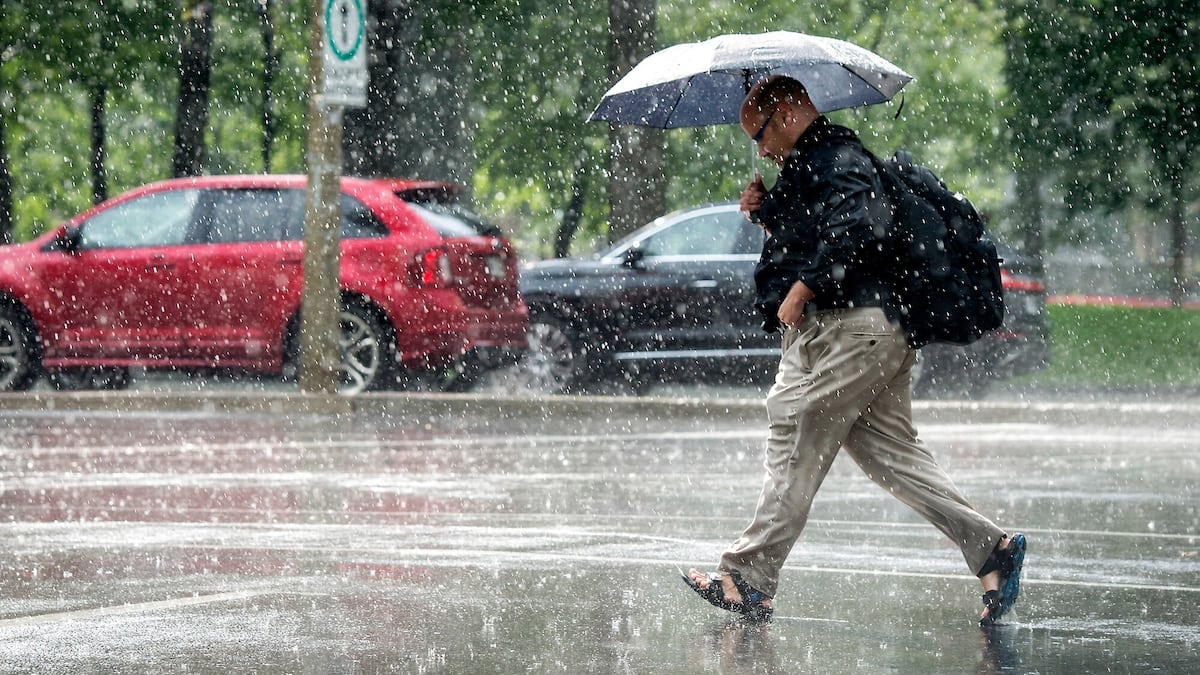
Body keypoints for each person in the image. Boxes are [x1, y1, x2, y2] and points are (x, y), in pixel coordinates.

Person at [683, 76, 1025, 626]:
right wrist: (766, 210)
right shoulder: (817, 163)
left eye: (762, 132)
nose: (761, 148)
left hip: (851, 331)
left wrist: (802, 288)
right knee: (893, 458)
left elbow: (858, 230)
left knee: (795, 426)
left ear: (791, 112)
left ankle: (747, 577)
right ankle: (992, 551)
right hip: (872, 331)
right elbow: (822, 227)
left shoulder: (836, 157)